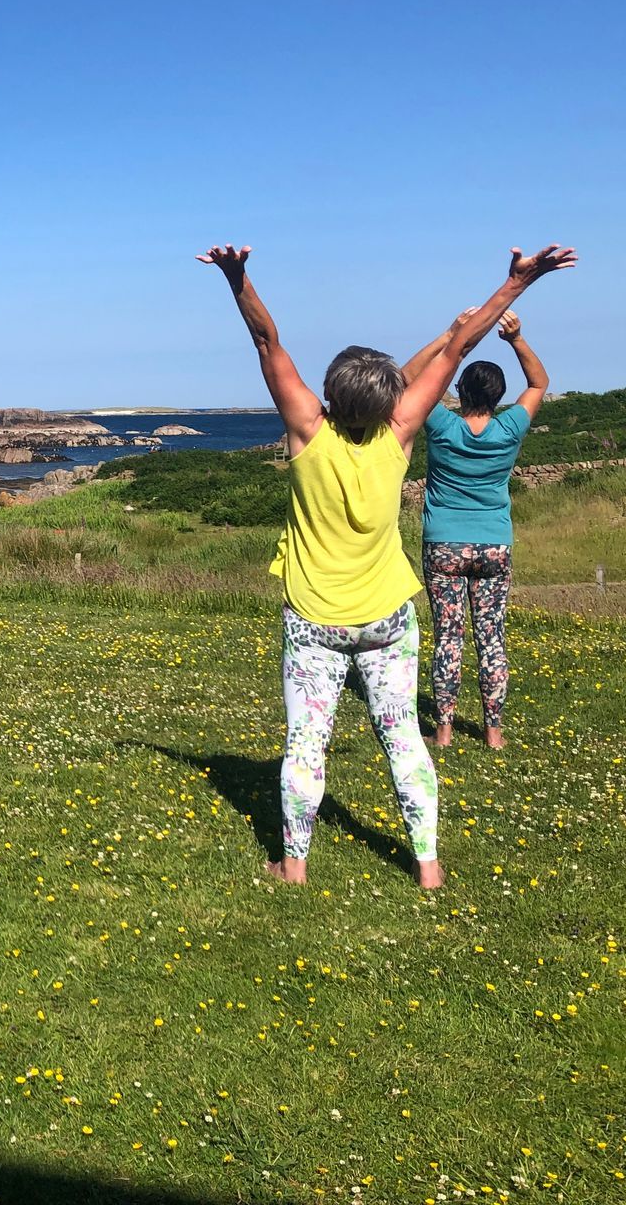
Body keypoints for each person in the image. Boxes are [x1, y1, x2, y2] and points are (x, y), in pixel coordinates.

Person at [198, 244, 575, 888]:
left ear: (328, 393)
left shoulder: (307, 431)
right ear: (389, 399)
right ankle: (427, 865)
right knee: (403, 738)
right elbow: (458, 349)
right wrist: (517, 283)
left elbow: (267, 341)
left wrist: (238, 278)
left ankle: (294, 864)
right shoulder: (399, 432)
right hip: (388, 619)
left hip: (313, 619)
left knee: (306, 744)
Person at [402, 310, 549, 750]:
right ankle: (493, 732)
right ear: (499, 394)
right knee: (492, 637)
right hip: (494, 544)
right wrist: (516, 338)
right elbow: (539, 383)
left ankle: (444, 730)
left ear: (460, 391)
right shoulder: (509, 428)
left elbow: (407, 380)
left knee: (448, 638)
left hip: (444, 543)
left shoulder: (441, 424)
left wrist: (453, 338)